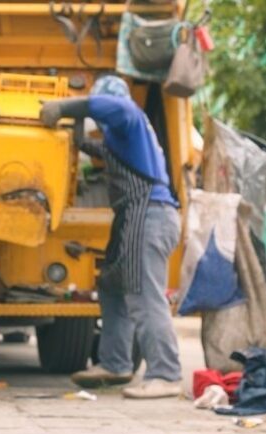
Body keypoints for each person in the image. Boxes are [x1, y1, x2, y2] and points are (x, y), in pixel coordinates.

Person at [40, 75, 183, 399]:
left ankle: (166, 373)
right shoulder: (125, 138)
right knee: (112, 285)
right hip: (137, 217)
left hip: (149, 215)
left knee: (143, 293)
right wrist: (73, 132)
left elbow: (115, 106)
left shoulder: (129, 115)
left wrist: (63, 106)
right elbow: (96, 148)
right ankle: (116, 363)